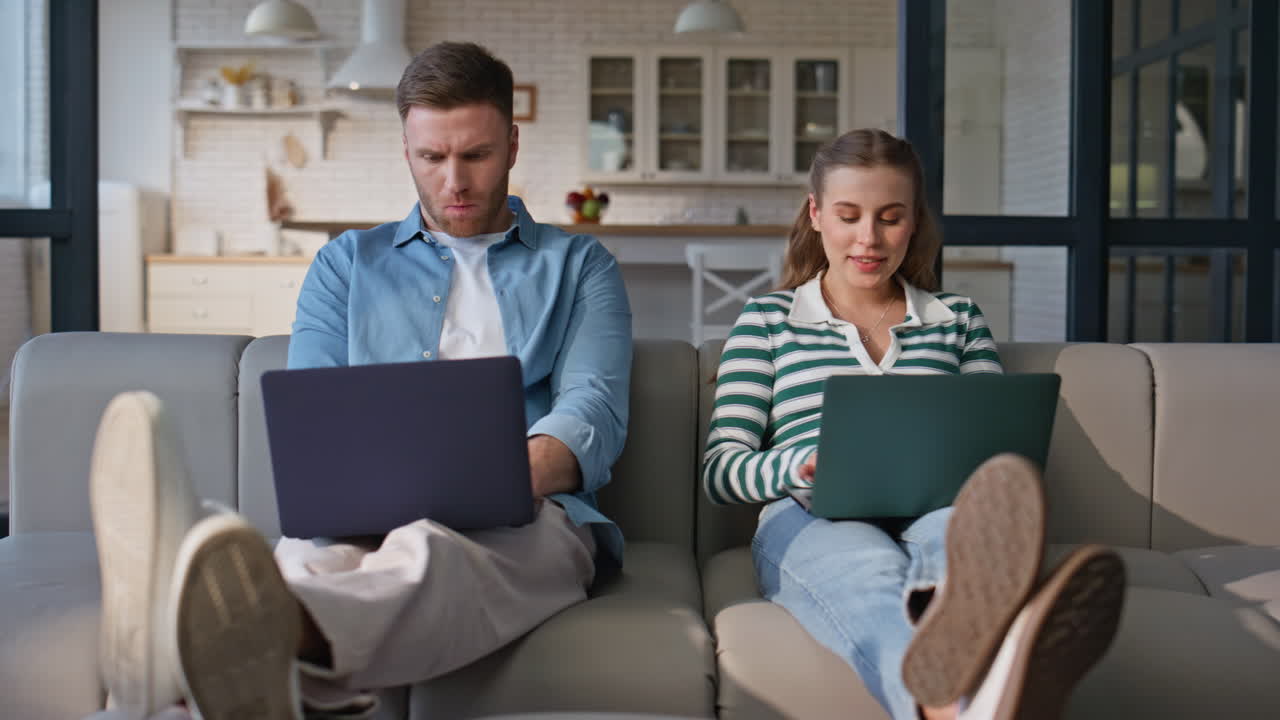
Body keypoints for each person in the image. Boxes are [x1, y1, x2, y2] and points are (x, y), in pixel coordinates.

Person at [87, 42, 632, 720]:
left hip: (531, 514)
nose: (454, 181)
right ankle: (235, 651)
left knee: (430, 550)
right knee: (313, 563)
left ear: (513, 144)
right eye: (432, 158)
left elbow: (594, 410)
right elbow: (318, 410)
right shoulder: (346, 264)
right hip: (362, 513)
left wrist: (498, 479)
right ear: (406, 150)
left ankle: (201, 637)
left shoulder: (580, 265)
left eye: (476, 155)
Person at [702, 128, 1126, 720]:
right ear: (816, 214)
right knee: (871, 573)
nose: (868, 239)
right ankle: (959, 705)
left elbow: (998, 448)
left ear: (915, 222)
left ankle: (967, 666)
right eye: (848, 216)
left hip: (940, 508)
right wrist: (800, 463)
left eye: (890, 218)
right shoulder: (768, 320)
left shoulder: (957, 319)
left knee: (959, 551)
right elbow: (721, 471)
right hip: (810, 513)